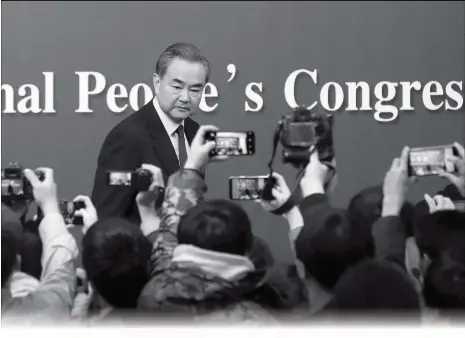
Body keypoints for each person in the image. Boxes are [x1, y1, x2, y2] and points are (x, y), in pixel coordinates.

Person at [91, 42, 209, 223]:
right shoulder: (127, 137)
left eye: (195, 90)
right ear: (156, 82)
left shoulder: (195, 132)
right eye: (177, 87)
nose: (185, 98)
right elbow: (106, 220)